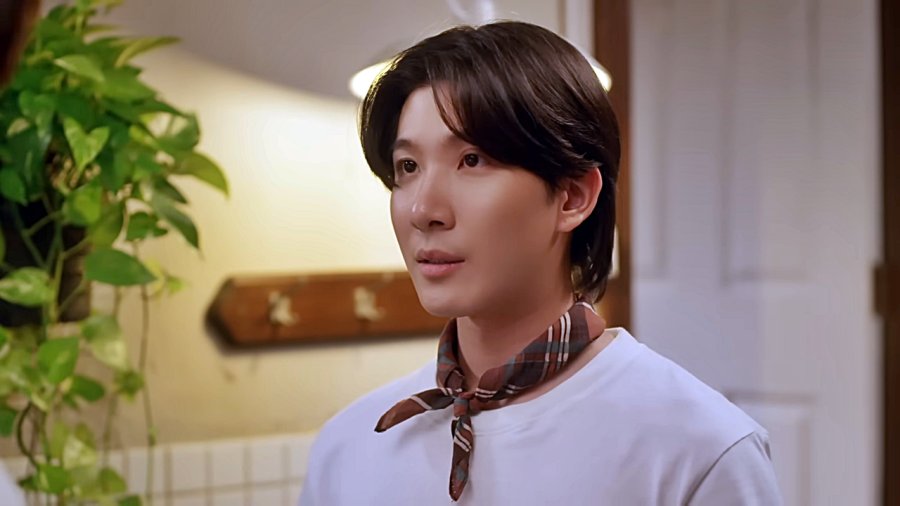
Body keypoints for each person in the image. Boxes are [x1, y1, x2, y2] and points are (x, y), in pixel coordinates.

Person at [300, 20, 782, 505]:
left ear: (573, 197)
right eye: (408, 167)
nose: (424, 209)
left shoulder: (698, 451)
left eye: (472, 160)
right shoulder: (350, 447)